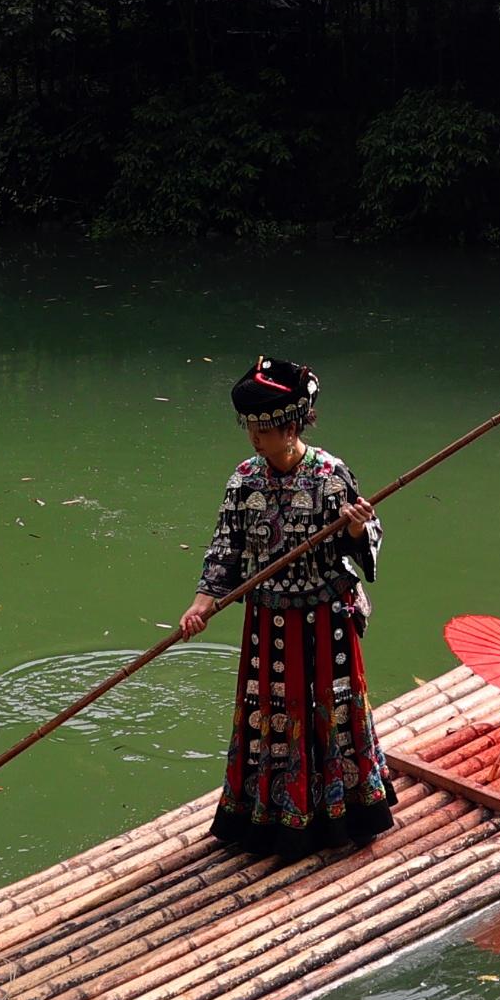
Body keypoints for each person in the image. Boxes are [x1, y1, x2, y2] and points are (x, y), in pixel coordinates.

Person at [175, 358, 397, 856]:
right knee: (269, 713)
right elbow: (225, 549)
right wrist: (201, 604)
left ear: (291, 426)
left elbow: (362, 545)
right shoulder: (243, 480)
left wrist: (358, 528)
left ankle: (343, 814)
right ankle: (267, 810)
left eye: (264, 428)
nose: (254, 438)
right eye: (250, 427)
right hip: (268, 621)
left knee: (329, 711)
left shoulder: (331, 475)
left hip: (323, 620)